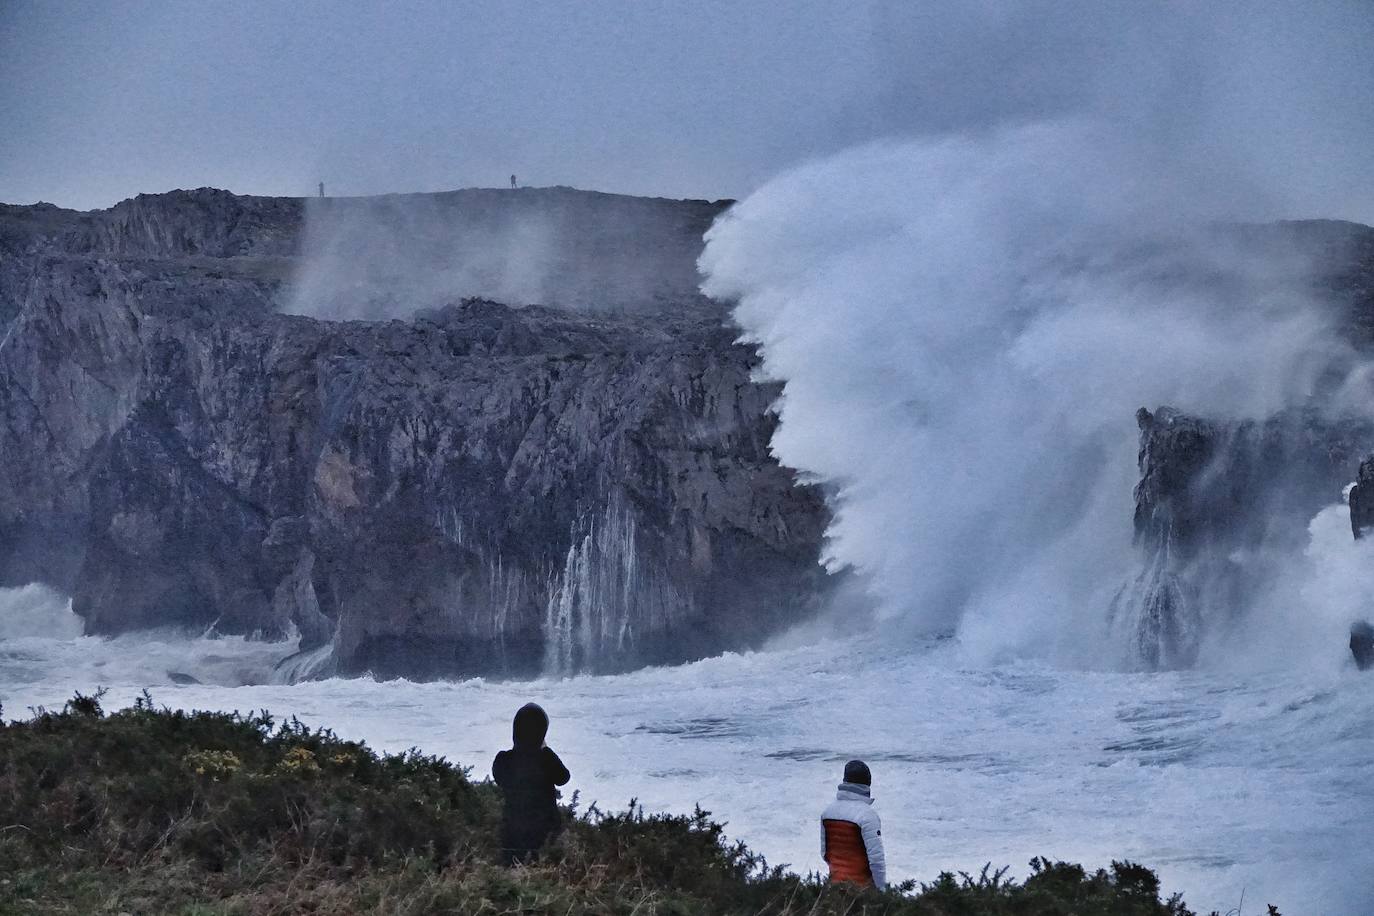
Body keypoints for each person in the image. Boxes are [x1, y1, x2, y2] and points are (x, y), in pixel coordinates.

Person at [492, 702, 571, 865]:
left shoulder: (503, 760)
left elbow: (499, 779)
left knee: (513, 869)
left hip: (512, 832)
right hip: (544, 832)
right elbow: (563, 778)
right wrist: (545, 749)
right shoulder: (545, 758)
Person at [820, 759, 886, 889]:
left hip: (834, 888)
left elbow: (825, 853)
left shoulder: (827, 812)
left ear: (845, 781)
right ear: (868, 783)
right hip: (862, 891)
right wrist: (881, 890)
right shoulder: (868, 815)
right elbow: (876, 861)